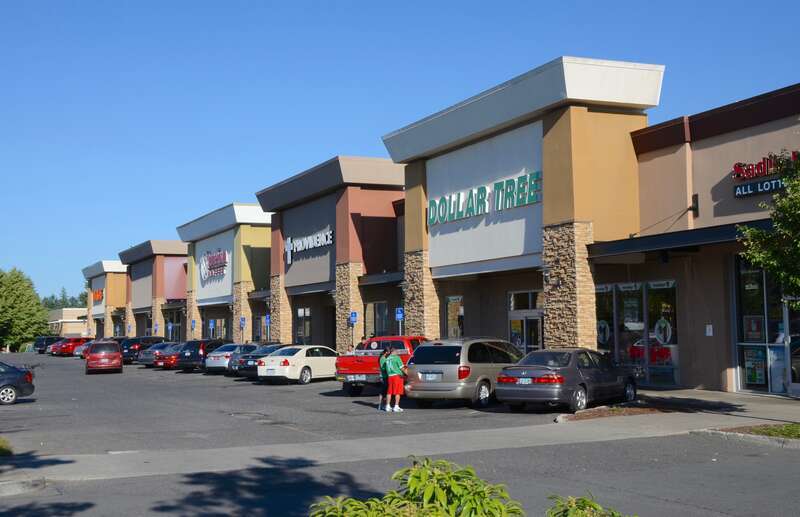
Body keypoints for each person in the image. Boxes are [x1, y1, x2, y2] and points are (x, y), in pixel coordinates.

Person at [384, 346, 406, 412]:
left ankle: (387, 406)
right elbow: (402, 368)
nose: (397, 352)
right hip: (397, 376)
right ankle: (396, 406)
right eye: (397, 351)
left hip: (390, 376)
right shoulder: (397, 358)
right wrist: (408, 374)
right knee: (398, 392)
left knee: (389, 392)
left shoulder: (387, 358)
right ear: (394, 351)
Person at [377, 346, 391, 410]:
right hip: (384, 376)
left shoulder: (383, 357)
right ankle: (381, 405)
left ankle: (382, 404)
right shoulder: (383, 358)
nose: (389, 354)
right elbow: (383, 368)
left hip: (384, 376)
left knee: (384, 391)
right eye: (389, 352)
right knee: (383, 391)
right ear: (386, 352)